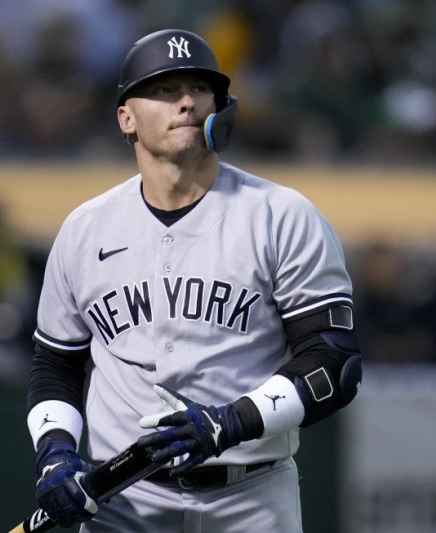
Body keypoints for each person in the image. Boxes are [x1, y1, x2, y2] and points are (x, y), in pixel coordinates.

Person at [25, 29, 362, 533]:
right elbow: (56, 365)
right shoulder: (84, 229)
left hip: (251, 498)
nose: (186, 102)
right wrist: (55, 453)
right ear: (126, 118)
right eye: (164, 90)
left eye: (199, 90)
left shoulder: (282, 215)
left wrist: (232, 421)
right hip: (123, 504)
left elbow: (333, 363)